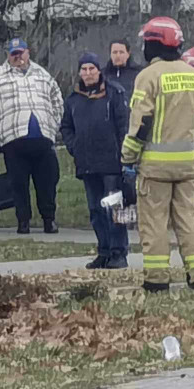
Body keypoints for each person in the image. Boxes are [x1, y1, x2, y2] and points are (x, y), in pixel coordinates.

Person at [121, 17, 194, 293]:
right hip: (188, 163)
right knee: (189, 220)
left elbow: (140, 122)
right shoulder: (192, 74)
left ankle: (156, 280)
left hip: (155, 167)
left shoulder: (148, 76)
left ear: (153, 45)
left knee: (154, 223)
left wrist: (127, 158)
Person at [0, 37, 64, 234]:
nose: (18, 57)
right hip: (13, 139)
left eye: (21, 53)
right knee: (18, 184)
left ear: (28, 53)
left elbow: (57, 98)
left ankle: (49, 220)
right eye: (14, 54)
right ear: (8, 56)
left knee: (47, 182)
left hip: (43, 137)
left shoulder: (42, 73)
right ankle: (23, 222)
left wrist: (53, 124)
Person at [59, 53, 129, 269]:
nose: (88, 73)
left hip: (112, 164)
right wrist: (74, 147)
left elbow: (123, 125)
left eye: (91, 69)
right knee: (96, 211)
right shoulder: (73, 99)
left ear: (99, 71)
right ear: (79, 73)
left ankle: (119, 252)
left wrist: (125, 156)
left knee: (114, 210)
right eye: (84, 69)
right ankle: (104, 251)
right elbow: (66, 128)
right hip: (87, 164)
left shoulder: (114, 93)